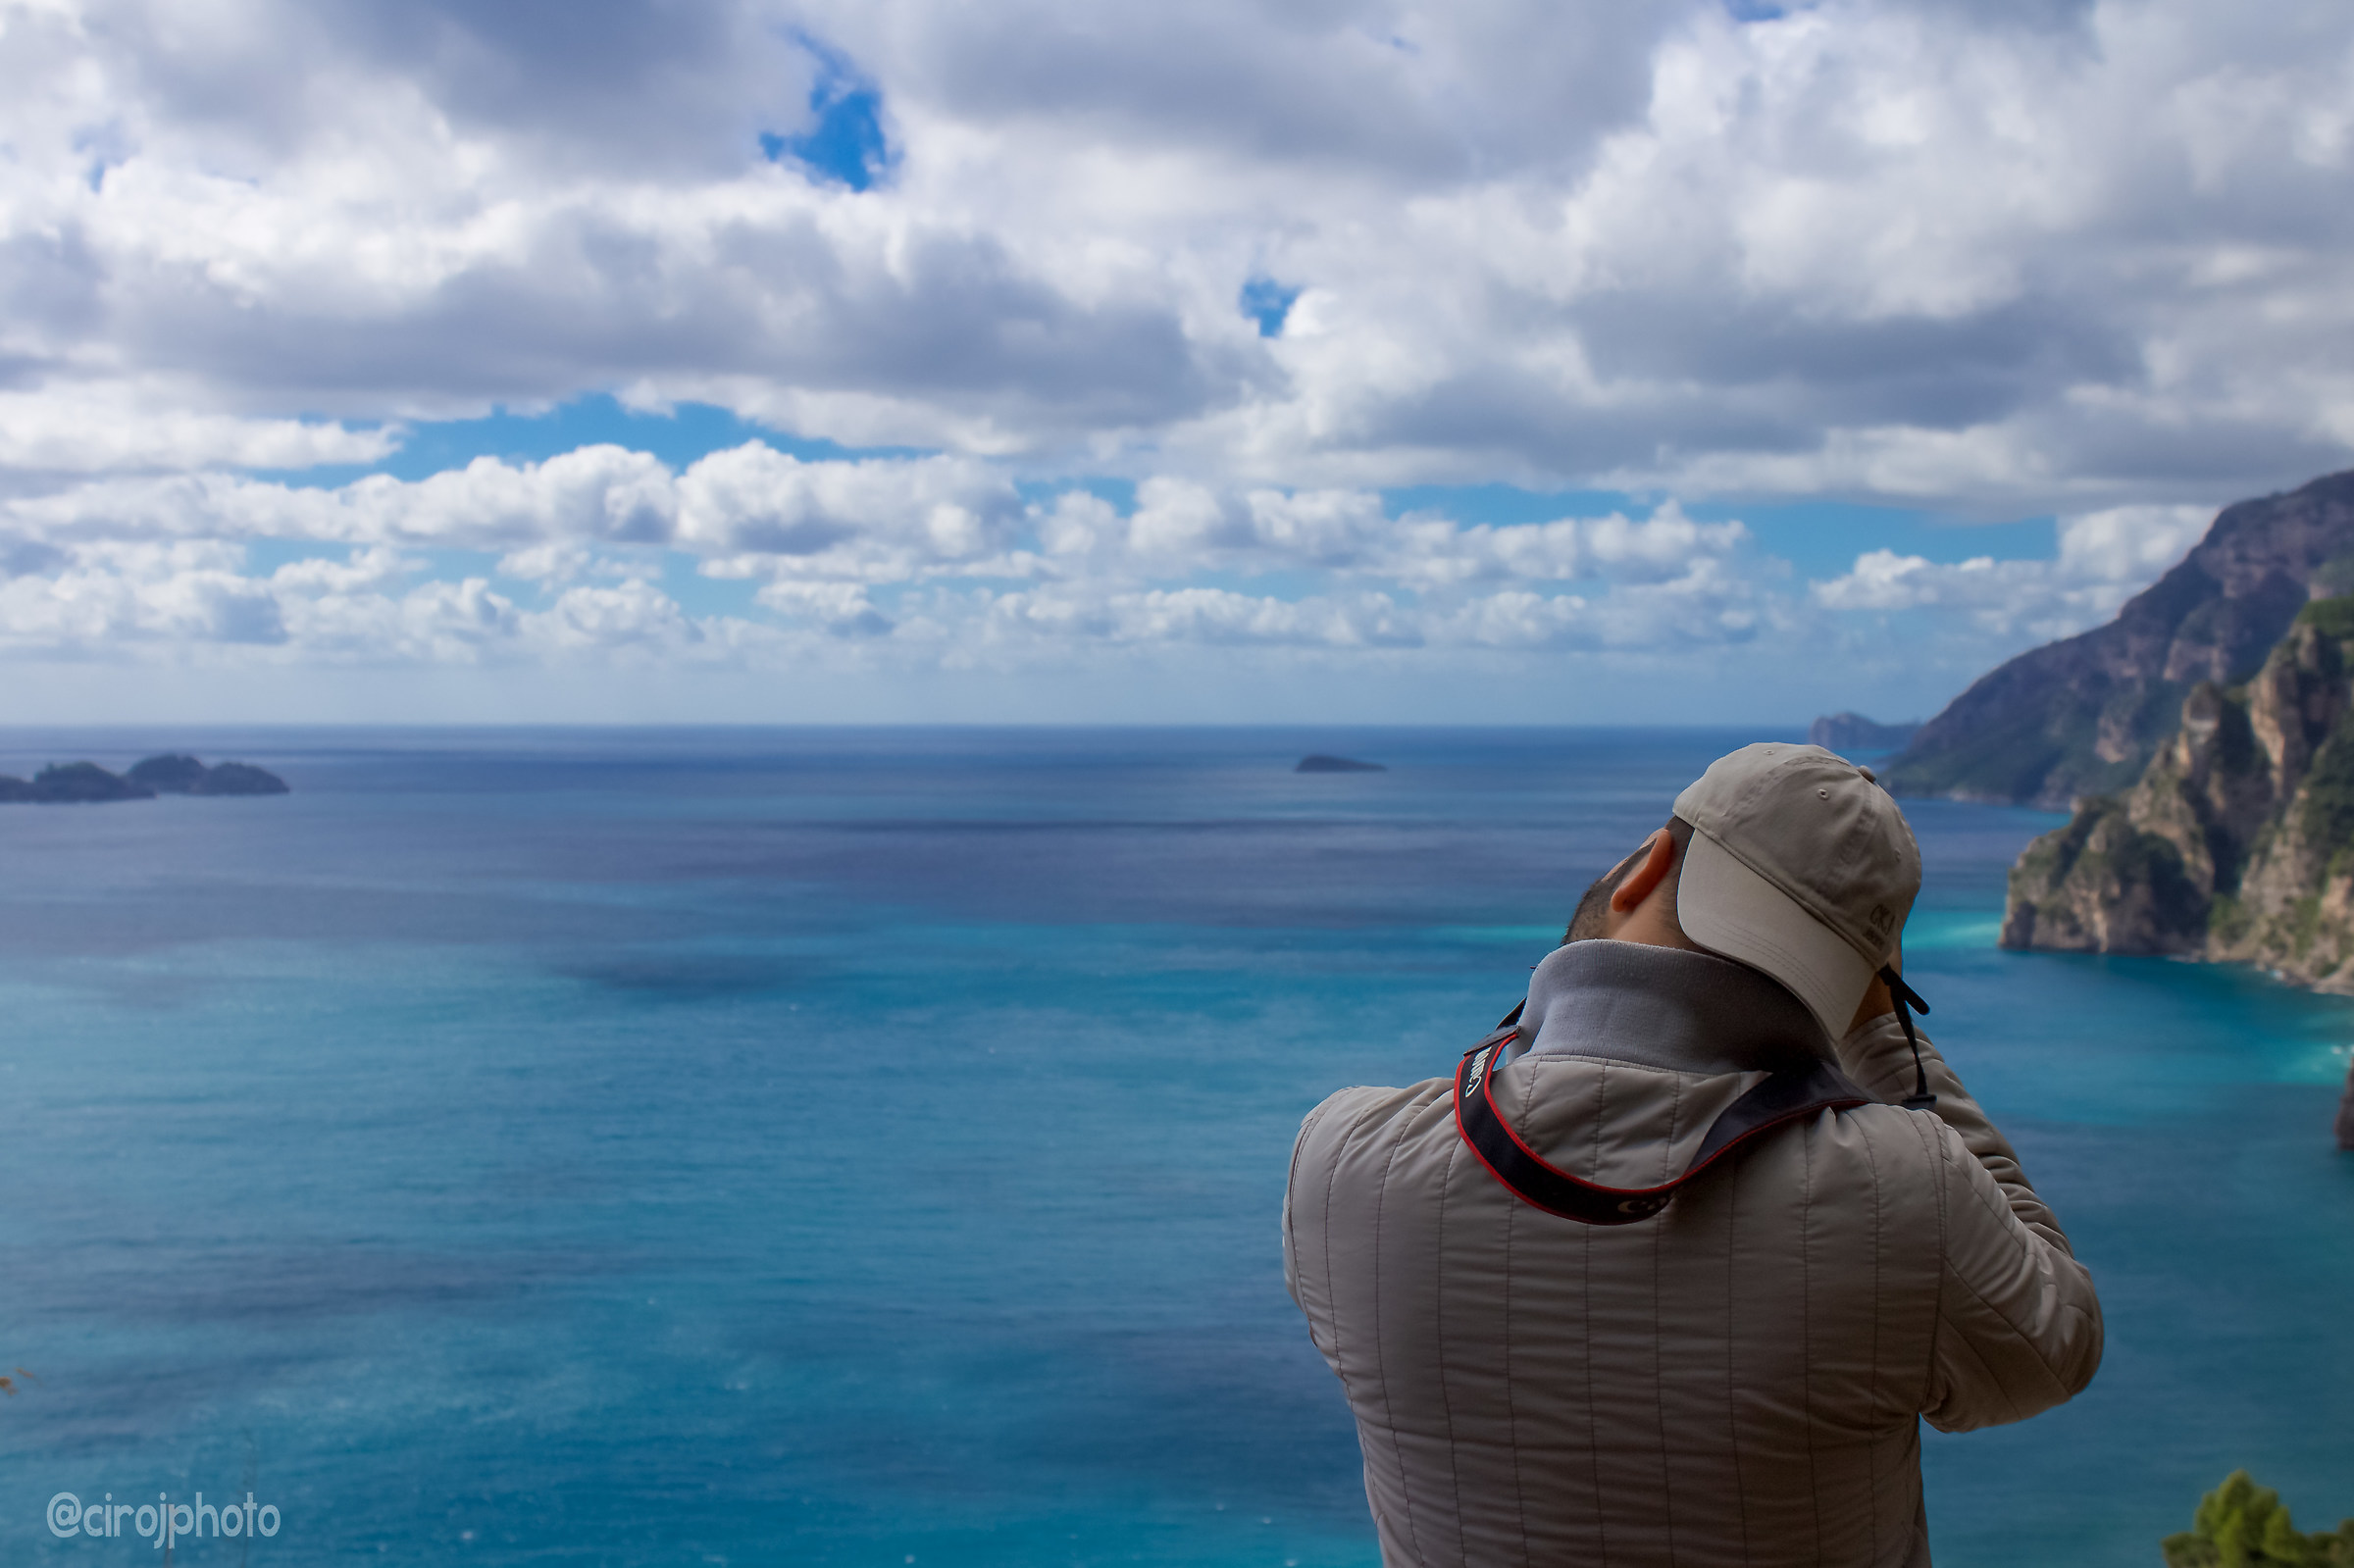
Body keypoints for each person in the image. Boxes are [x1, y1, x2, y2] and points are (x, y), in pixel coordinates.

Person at [1283, 742, 2102, 1568]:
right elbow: (2055, 1343)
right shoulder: (1903, 1191)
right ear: (1848, 985)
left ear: (1646, 865)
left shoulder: (1345, 1161)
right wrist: (1884, 1035)